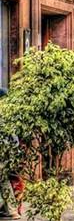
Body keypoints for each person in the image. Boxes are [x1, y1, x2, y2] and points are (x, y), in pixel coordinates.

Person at [0, 88, 21, 220]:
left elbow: (13, 139)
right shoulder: (9, 115)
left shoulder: (5, 117)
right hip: (8, 154)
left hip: (5, 153)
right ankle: (12, 210)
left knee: (3, 180)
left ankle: (12, 210)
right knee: (4, 180)